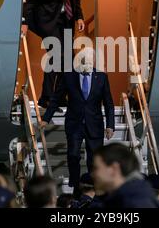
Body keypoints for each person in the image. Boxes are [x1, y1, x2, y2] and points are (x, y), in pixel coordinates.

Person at [43, 47, 115, 189]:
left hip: (94, 124)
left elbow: (109, 104)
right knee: (73, 155)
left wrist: (110, 125)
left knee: (94, 160)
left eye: (92, 59)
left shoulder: (101, 77)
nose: (90, 62)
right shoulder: (69, 76)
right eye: (87, 59)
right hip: (75, 124)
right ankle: (76, 186)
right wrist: (46, 118)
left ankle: (94, 188)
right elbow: (56, 99)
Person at [22, 0, 85, 108]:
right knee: (56, 56)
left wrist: (79, 17)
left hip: (67, 20)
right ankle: (47, 98)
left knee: (68, 59)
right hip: (49, 21)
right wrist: (24, 21)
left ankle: (60, 97)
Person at [92, 143, 159, 208]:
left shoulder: (135, 202)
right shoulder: (124, 198)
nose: (92, 174)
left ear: (114, 168)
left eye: (96, 168)